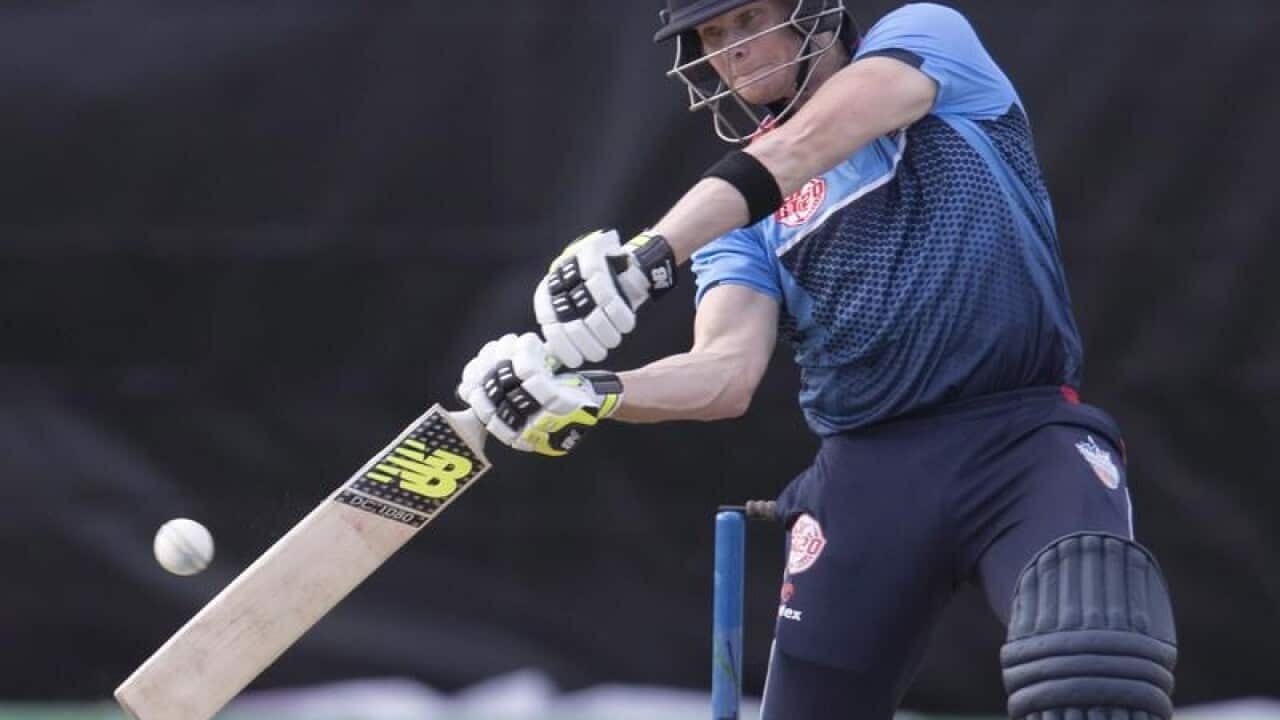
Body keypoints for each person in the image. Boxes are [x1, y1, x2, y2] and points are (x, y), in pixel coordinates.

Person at [456, 2, 1178, 717]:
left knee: (1093, 667)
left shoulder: (926, 39)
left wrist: (649, 255)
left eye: (748, 19)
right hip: (867, 480)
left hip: (1022, 442)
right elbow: (723, 374)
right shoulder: (735, 225)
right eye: (713, 35)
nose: (731, 49)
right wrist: (587, 391)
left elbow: (803, 146)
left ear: (812, 11)